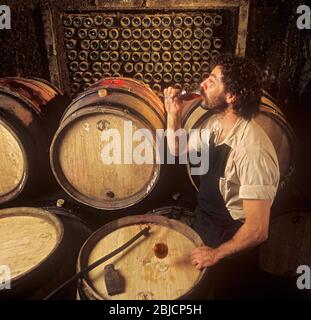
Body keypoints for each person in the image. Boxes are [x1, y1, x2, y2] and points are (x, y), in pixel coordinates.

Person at [164, 54, 280, 298]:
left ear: (232, 96)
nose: (203, 84)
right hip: (205, 227)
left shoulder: (252, 150)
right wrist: (173, 113)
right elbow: (177, 149)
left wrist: (217, 254)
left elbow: (258, 229)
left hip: (230, 248)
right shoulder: (218, 127)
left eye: (212, 80)